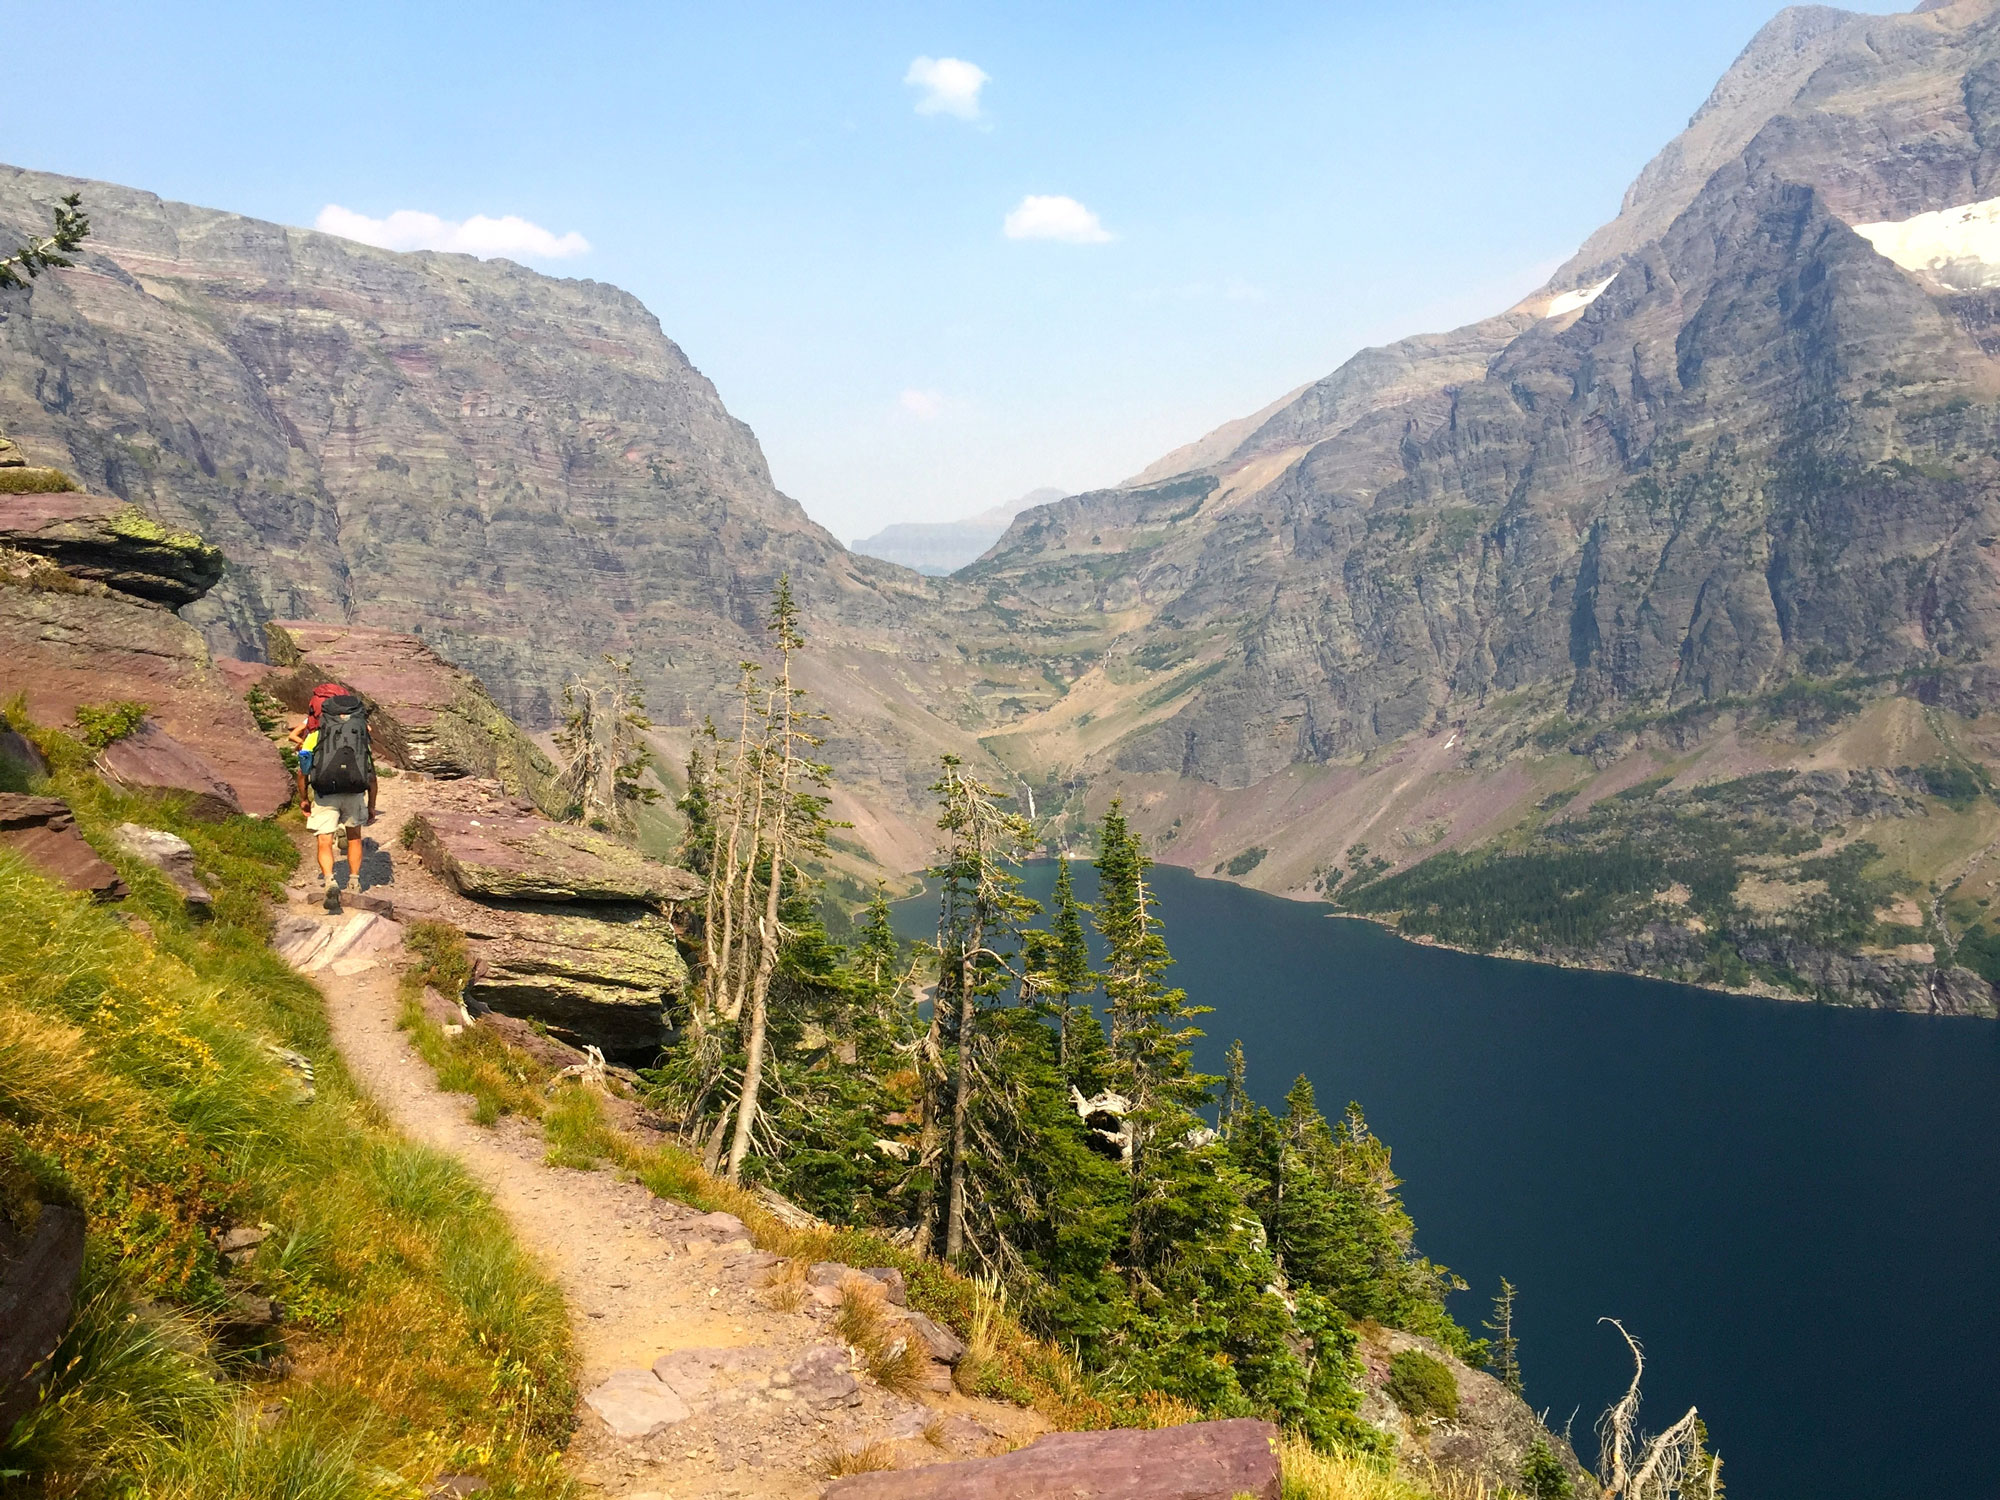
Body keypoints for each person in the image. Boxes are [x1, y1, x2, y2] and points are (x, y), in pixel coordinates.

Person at [302, 692, 377, 913]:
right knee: (354, 837)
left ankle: (329, 880)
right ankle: (354, 880)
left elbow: (302, 770)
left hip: (325, 793)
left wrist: (304, 799)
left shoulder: (316, 735)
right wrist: (371, 804)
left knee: (324, 840)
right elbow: (371, 774)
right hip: (354, 792)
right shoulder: (360, 736)